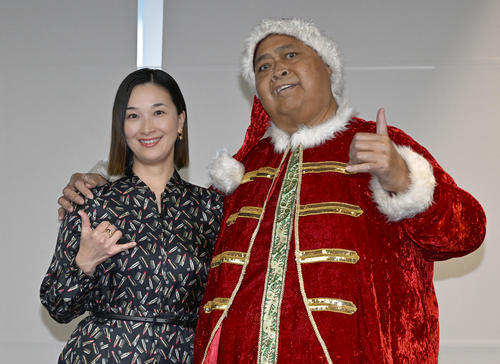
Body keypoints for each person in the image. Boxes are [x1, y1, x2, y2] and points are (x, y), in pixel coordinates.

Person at [57, 19, 486, 364]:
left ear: (328, 68)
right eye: (262, 66)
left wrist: (404, 180)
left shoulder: (382, 146)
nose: (276, 68)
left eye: (291, 54)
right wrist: (96, 182)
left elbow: (466, 233)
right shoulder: (244, 171)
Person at [41, 68, 223, 364]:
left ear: (180, 121)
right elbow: (57, 307)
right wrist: (84, 262)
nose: (146, 127)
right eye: (133, 116)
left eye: (159, 112)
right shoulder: (92, 201)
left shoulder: (212, 207)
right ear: (121, 128)